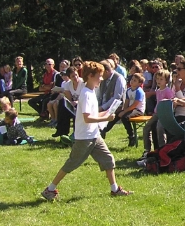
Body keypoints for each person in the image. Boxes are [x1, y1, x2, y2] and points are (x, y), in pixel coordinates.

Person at [41, 61, 131, 201]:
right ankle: (50, 189)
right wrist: (106, 117)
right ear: (90, 76)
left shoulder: (91, 91)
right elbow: (87, 118)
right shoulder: (86, 94)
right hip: (84, 137)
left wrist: (107, 113)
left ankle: (114, 190)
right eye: (99, 76)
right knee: (72, 163)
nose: (101, 79)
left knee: (108, 160)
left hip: (94, 135)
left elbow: (93, 114)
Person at [98, 59, 127, 138]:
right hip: (104, 106)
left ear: (106, 71)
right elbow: (100, 95)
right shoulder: (103, 79)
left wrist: (102, 108)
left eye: (101, 72)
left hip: (117, 107)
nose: (100, 75)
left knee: (100, 125)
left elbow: (117, 98)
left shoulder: (119, 78)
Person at [118, 73, 147, 147]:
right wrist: (123, 110)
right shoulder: (128, 90)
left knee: (125, 117)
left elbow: (135, 105)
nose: (132, 81)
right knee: (117, 114)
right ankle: (104, 130)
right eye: (132, 79)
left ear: (139, 83)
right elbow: (126, 102)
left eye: (135, 80)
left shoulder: (139, 91)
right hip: (130, 109)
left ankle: (131, 135)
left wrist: (124, 112)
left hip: (138, 110)